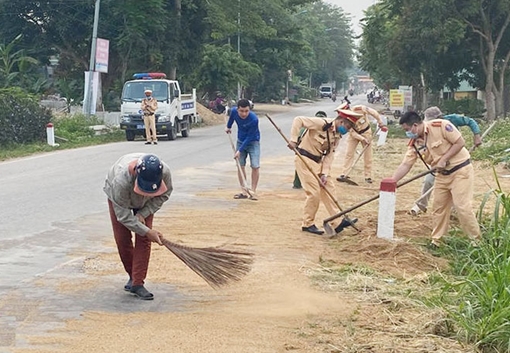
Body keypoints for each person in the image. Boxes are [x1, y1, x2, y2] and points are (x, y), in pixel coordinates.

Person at [388, 111, 481, 248]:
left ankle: (476, 242)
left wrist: (444, 159)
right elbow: (406, 164)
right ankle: (437, 241)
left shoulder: (441, 126)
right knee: (438, 208)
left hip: (460, 171)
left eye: (407, 130)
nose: (407, 133)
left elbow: (460, 142)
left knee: (462, 207)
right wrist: (392, 182)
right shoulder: (415, 143)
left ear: (415, 125)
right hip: (442, 176)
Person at [103, 153, 173, 300]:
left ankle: (137, 283)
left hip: (146, 203)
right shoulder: (120, 181)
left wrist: (144, 213)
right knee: (122, 238)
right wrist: (148, 231)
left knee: (144, 239)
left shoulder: (165, 172)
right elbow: (123, 216)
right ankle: (132, 275)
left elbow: (164, 194)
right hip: (120, 200)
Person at [288, 108, 363, 235]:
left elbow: (329, 155)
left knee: (329, 188)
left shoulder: (337, 136)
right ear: (340, 121)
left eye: (350, 127)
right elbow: (298, 120)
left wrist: (324, 173)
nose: (347, 130)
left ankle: (338, 222)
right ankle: (308, 224)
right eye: (347, 126)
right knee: (314, 193)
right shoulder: (321, 123)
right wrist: (293, 140)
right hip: (304, 159)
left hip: (318, 162)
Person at [409, 106, 483, 215]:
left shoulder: (450, 120)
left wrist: (477, 136)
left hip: (455, 157)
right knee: (429, 180)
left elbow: (470, 121)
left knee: (455, 185)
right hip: (438, 159)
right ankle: (421, 205)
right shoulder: (428, 128)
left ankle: (454, 210)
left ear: (440, 117)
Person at [337, 104, 387, 184]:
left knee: (368, 155)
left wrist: (380, 122)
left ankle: (368, 176)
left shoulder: (359, 108)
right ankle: (344, 174)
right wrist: (362, 139)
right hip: (354, 135)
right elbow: (352, 133)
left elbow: (373, 112)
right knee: (349, 154)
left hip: (366, 132)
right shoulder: (344, 120)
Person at [225, 98, 260, 200]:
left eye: (246, 111)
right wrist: (228, 127)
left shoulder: (254, 119)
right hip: (240, 140)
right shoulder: (234, 111)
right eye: (241, 111)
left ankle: (253, 191)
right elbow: (231, 118)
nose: (244, 114)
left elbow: (249, 137)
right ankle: (244, 191)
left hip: (253, 142)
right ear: (238, 109)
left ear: (249, 109)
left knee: (255, 165)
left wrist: (239, 150)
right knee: (240, 166)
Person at [292, 111, 329, 189]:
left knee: (301, 167)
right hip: (305, 150)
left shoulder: (310, 124)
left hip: (302, 149)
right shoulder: (315, 126)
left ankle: (297, 184)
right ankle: (305, 184)